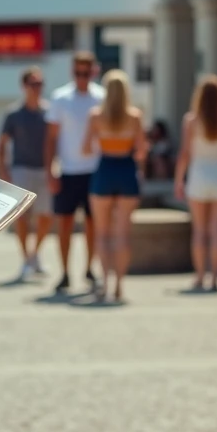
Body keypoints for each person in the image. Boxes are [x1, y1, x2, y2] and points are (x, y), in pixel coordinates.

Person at [82, 69, 147, 303]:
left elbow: (86, 148)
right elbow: (141, 151)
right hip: (127, 170)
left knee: (102, 233)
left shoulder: (96, 116)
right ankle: (120, 285)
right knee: (123, 233)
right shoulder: (135, 116)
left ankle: (105, 283)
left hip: (105, 169)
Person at [175, 74, 217, 292]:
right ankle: (215, 277)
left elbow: (185, 154)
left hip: (199, 175)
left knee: (200, 230)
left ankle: (199, 276)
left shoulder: (191, 121)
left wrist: (178, 180)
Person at [45, 51, 105, 293]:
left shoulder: (103, 97)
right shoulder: (60, 98)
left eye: (86, 73)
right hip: (68, 171)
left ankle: (90, 269)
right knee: (65, 223)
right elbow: (51, 139)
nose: (82, 77)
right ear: (72, 72)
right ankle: (65, 272)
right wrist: (51, 171)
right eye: (78, 73)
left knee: (93, 223)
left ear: (93, 72)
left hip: (96, 170)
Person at [0, 65, 53, 280]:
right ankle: (25, 260)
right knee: (21, 218)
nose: (37, 88)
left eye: (40, 84)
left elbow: (55, 141)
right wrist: (3, 171)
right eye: (33, 84)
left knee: (46, 216)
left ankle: (34, 255)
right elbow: (2, 143)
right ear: (24, 86)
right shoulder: (13, 114)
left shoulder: (48, 112)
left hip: (44, 168)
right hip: (21, 169)